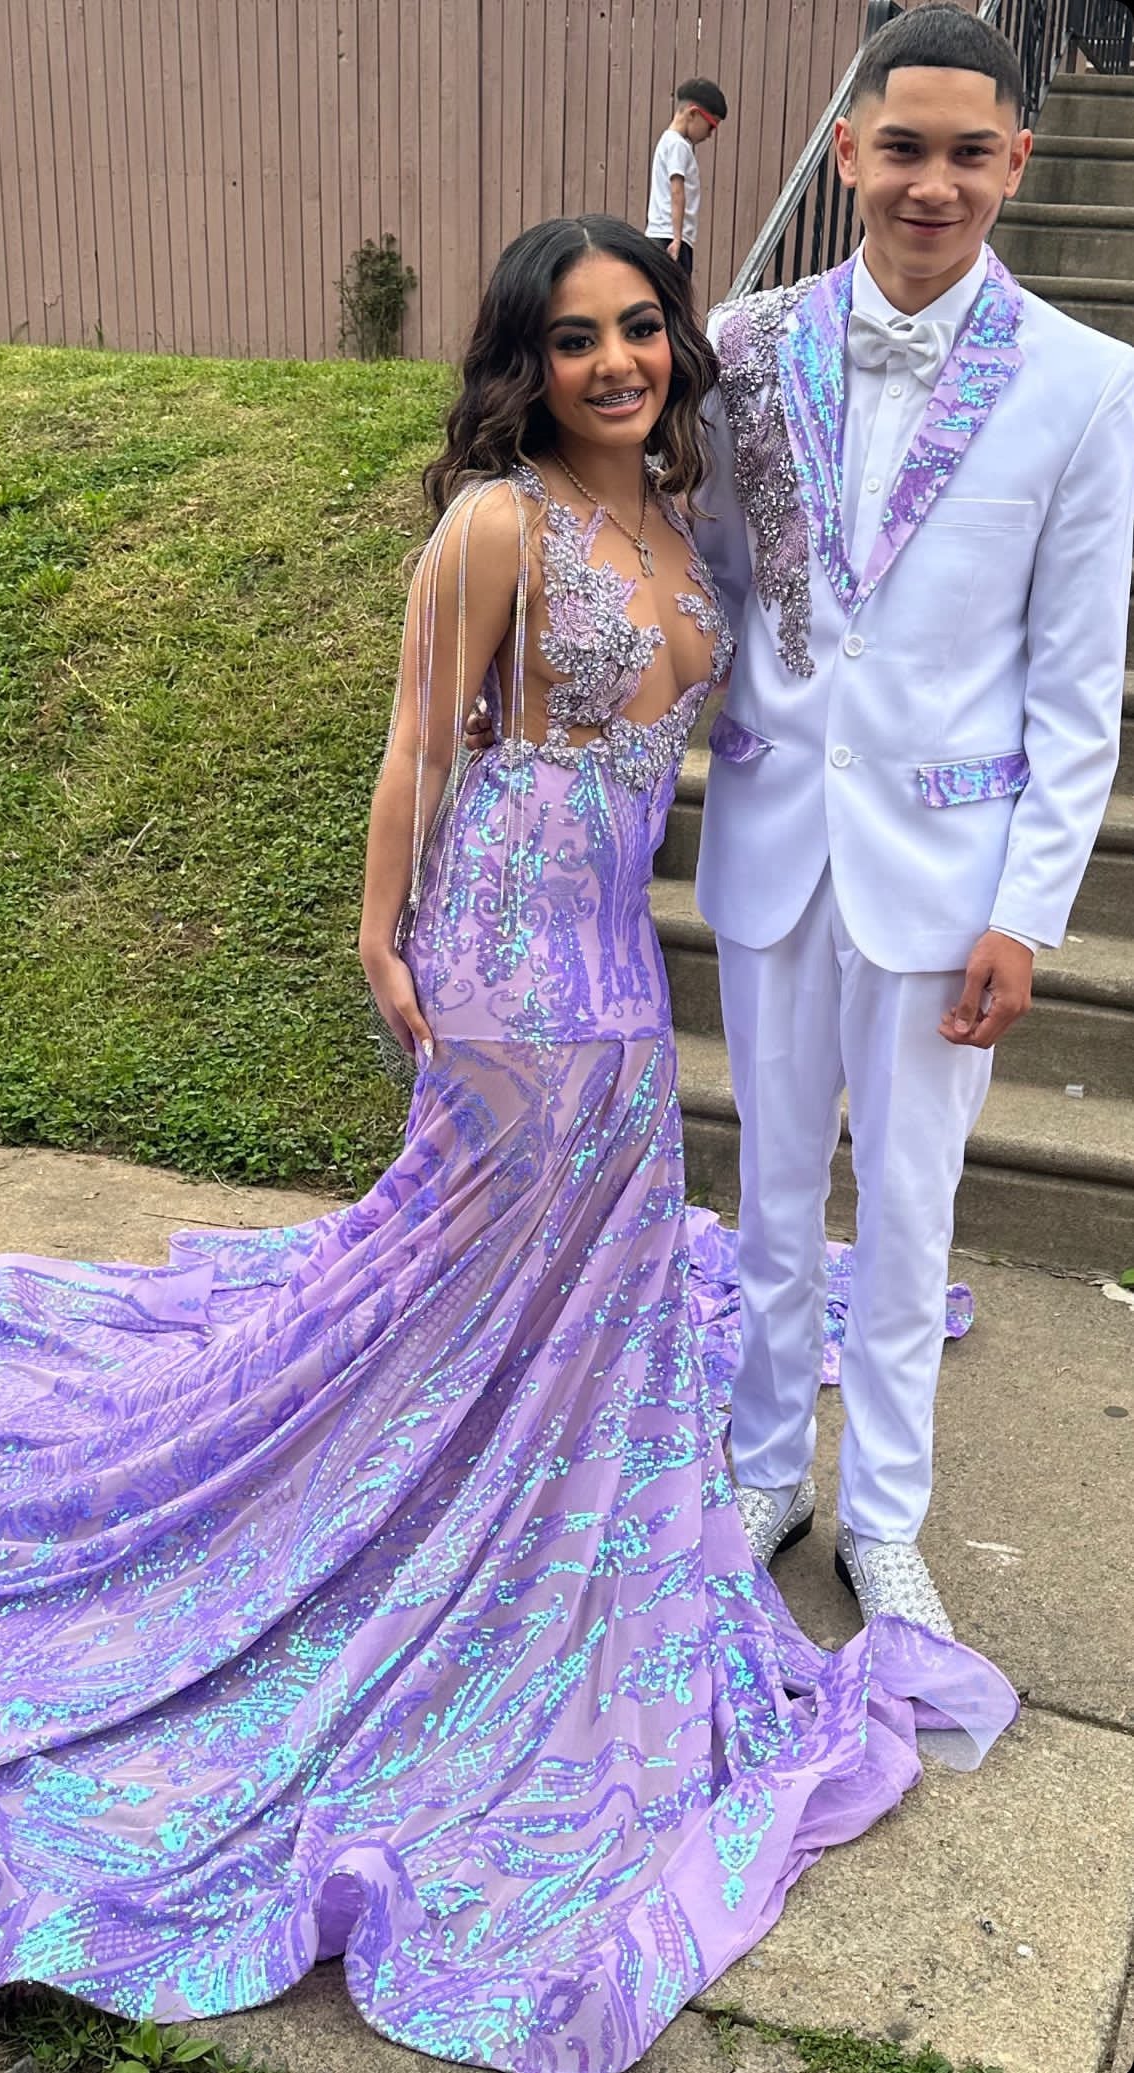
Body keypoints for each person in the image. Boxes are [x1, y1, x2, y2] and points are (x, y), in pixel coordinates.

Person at [0, 215, 1016, 2072]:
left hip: (619, 966)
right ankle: (402, 1496)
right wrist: (381, 932)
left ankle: (520, 1472)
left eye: (639, 329)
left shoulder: (682, 525)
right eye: (574, 336)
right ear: (526, 364)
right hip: (512, 956)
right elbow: (417, 743)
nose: (613, 362)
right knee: (478, 1260)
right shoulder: (496, 526)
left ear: (674, 346)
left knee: (577, 1270)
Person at [696, 3, 1134, 1636]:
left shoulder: (1087, 384)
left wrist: (1027, 910)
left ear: (1015, 161)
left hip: (948, 878)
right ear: (846, 153)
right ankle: (764, 1468)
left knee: (907, 1212)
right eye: (900, 148)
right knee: (769, 1194)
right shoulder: (743, 348)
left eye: (965, 153)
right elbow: (713, 585)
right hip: (771, 841)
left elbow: (1073, 683)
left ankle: (884, 1513)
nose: (929, 184)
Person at [645, 76, 727, 277]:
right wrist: (677, 238)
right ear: (693, 113)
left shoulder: (667, 141)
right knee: (676, 292)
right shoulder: (678, 145)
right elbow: (677, 191)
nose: (710, 135)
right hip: (670, 238)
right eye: (711, 126)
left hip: (659, 235)